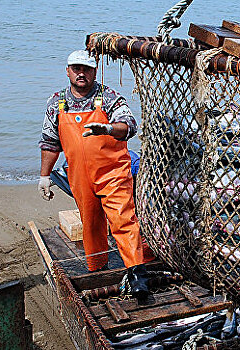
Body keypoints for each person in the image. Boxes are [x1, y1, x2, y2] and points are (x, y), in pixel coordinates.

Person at [38, 50, 153, 298]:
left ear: (95, 71)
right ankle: (97, 267)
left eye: (87, 69)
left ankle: (137, 274)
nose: (82, 73)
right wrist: (44, 176)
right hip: (79, 176)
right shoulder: (56, 103)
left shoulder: (109, 97)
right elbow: (50, 142)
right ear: (67, 70)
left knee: (123, 219)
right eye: (76, 68)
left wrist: (109, 128)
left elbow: (129, 124)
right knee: (90, 223)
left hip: (113, 172)